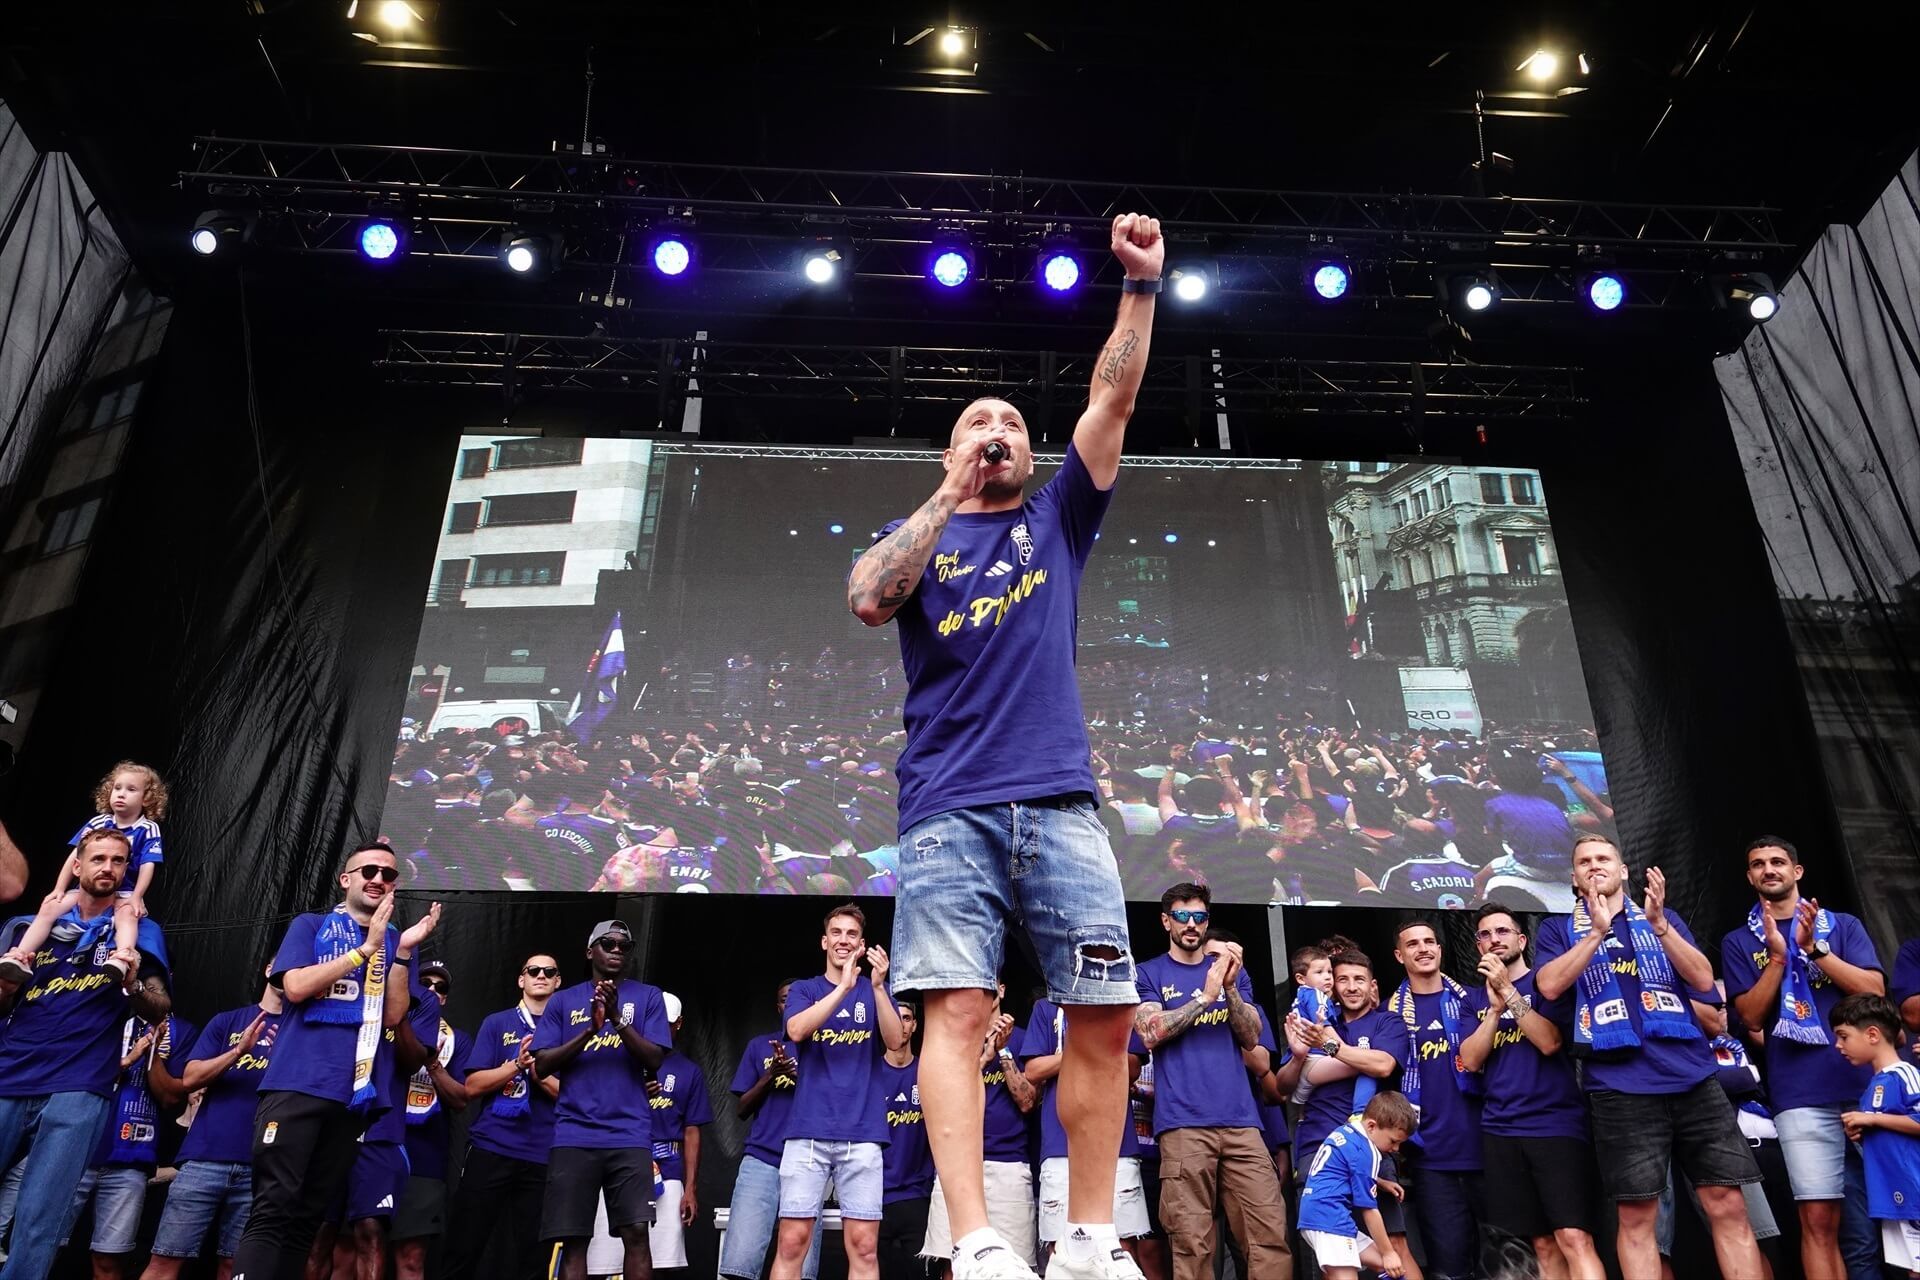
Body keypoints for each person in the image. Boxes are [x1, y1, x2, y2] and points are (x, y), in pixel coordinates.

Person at [845, 213, 1167, 1280]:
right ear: (949, 450)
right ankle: (979, 1235)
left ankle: (1085, 1234)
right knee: (959, 1007)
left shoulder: (1059, 516)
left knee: (1107, 1006)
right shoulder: (922, 535)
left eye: (1012, 422)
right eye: (977, 421)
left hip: (1063, 802)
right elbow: (865, 599)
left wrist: (1140, 287)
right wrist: (945, 490)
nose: (997, 430)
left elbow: (1111, 396)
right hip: (947, 804)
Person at [1532, 834, 1763, 1280]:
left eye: (1604, 858)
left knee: (1728, 1203)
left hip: (1693, 1077)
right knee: (1639, 1218)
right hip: (1621, 1088)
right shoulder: (1559, 929)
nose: (1594, 865)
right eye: (1584, 861)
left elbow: (1701, 980)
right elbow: (1549, 987)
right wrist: (1597, 932)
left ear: (1623, 872)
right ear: (1575, 878)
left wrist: (1660, 926)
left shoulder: (1663, 917)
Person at [230, 841, 439, 1280]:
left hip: (353, 1097)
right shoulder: (310, 925)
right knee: (274, 1206)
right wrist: (365, 950)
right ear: (346, 880)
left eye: (387, 874)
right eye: (368, 871)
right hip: (298, 1084)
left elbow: (394, 1015)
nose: (378, 879)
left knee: (310, 1215)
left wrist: (399, 953)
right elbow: (297, 987)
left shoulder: (398, 942)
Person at [0, 828, 171, 1280]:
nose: (108, 868)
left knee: (41, 1215)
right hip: (10, 1073)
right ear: (77, 865)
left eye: (118, 861)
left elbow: (159, 1009)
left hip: (80, 1084)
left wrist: (132, 983)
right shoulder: (29, 925)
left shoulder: (139, 927)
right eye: (98, 859)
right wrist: (6, 986)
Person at [1721, 836, 1884, 1280]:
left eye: (1777, 861)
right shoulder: (1739, 941)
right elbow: (1751, 1017)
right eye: (1758, 864)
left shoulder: (1842, 925)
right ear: (1750, 877)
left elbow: (1874, 992)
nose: (1768, 869)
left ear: (1798, 871)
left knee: (1905, 1212)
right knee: (1818, 1223)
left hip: (1870, 1088)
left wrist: (1815, 950)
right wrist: (1778, 958)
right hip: (1799, 1093)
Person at [1133, 884, 1292, 1280]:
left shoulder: (1231, 971)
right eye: (1182, 916)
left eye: (1200, 917)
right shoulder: (1147, 973)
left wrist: (1231, 987)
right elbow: (1150, 1032)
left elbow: (1252, 1036)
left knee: (1268, 1234)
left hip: (1243, 1123)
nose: (1191, 924)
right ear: (1165, 920)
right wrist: (1204, 997)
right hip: (1183, 1125)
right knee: (1192, 1241)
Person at [1456, 903, 1604, 1280]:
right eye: (1485, 934)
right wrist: (1492, 1011)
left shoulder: (1545, 982)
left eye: (1503, 932)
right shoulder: (1472, 1000)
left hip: (1555, 1125)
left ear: (1522, 939)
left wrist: (1509, 992)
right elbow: (1470, 1061)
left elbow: (1551, 1042)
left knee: (1574, 1236)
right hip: (1501, 1128)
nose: (1494, 940)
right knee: (1539, 1243)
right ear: (1477, 947)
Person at [771, 904, 908, 1280]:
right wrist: (843, 987)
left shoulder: (875, 990)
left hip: (862, 1134)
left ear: (861, 945)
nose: (843, 940)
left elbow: (896, 1041)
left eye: (851, 935)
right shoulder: (806, 989)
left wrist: (877, 987)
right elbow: (797, 1030)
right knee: (792, 1242)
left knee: (864, 1246)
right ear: (824, 941)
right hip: (808, 1132)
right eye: (837, 933)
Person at [531, 920, 673, 1280]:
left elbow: (655, 1058)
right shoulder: (563, 1000)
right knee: (574, 1239)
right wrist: (590, 1031)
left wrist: (615, 1020)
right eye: (608, 944)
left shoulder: (648, 997)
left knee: (637, 1233)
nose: (616, 951)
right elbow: (543, 1063)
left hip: (629, 1135)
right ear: (590, 951)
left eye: (624, 947)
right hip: (574, 1135)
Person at [1283, 946, 1417, 1280]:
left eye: (1360, 979)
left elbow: (1384, 1063)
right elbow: (1280, 1089)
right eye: (1342, 979)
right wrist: (1300, 1055)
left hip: (1371, 1144)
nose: (1351, 986)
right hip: (1318, 1147)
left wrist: (1334, 1047)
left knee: (1394, 1246)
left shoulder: (1387, 1020)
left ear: (1373, 985)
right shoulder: (1316, 1020)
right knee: (1333, 1256)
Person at [143, 969, 282, 1280]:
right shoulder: (228, 1021)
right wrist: (237, 1052)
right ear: (269, 970)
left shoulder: (300, 1031)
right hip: (204, 1159)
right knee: (164, 1262)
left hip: (262, 1167)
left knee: (236, 1269)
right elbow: (190, 1079)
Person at [443, 954, 563, 1280]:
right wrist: (517, 1065)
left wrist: (538, 1072)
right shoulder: (497, 1023)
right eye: (533, 970)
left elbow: (572, 1097)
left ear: (558, 981)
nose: (541, 975)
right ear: (521, 980)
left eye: (549, 971)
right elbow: (471, 1086)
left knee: (534, 1257)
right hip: (492, 1146)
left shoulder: (568, 1031)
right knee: (463, 1245)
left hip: (542, 1153)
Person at [0, 762, 166, 984]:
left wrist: (136, 897)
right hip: (86, 889)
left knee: (127, 916)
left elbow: (148, 865)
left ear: (146, 798)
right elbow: (74, 857)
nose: (121, 794)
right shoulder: (98, 822)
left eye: (131, 789)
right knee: (49, 907)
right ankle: (20, 955)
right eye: (117, 788)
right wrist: (59, 888)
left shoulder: (148, 828)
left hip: (124, 891)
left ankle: (122, 956)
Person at [1024, 996, 1154, 1272]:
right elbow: (1033, 1070)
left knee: (1122, 1247)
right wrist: (1088, 1048)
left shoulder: (1119, 999)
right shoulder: (1046, 1006)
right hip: (1060, 1145)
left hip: (1116, 1144)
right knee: (1061, 1249)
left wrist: (1075, 1051)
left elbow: (1132, 1067)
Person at [1385, 918, 1484, 1280]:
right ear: (1399, 955)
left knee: (1510, 1259)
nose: (1423, 948)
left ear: (1441, 950)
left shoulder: (1473, 999)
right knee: (1450, 1269)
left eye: (1430, 941)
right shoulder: (1389, 1014)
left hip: (1488, 1149)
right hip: (1431, 1159)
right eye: (1413, 944)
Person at [920, 979, 1040, 1272]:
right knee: (954, 1265)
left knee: (1016, 1265)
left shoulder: (1023, 1038)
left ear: (1001, 989)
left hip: (1008, 1165)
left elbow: (1027, 1101)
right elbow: (942, 1098)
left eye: (991, 987)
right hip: (958, 1164)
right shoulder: (955, 1041)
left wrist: (1002, 1050)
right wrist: (981, 1059)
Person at [70, 1004, 195, 1280]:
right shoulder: (90, 1011)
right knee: (40, 1244)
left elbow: (171, 1098)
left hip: (130, 1160)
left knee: (109, 1260)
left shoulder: (179, 1031)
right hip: (70, 1151)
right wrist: (128, 1058)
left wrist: (152, 1053)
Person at [718, 982, 822, 1280]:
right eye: (783, 1000)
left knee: (800, 1268)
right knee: (740, 1261)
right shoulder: (759, 1046)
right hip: (761, 1159)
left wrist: (798, 1076)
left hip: (807, 1162)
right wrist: (770, 1076)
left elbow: (831, 1102)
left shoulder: (821, 1049)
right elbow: (741, 1110)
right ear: (778, 1007)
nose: (789, 1003)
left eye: (795, 999)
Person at [1830, 993, 1920, 1275]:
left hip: (1914, 1189)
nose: (1838, 1045)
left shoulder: (1905, 1074)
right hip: (1894, 1193)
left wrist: (1872, 1120)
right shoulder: (1875, 1084)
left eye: (1844, 1036)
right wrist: (1865, 1130)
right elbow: (1889, 1126)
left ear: (1872, 1034)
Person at [393, 961, 471, 1280]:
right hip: (373, 1146)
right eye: (425, 983)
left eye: (441, 988)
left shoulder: (458, 1040)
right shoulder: (386, 1024)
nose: (432, 990)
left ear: (445, 999)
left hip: (424, 1157)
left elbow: (461, 1100)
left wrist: (434, 1064)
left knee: (411, 1258)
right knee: (352, 1249)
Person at [1297, 1092, 1418, 1280]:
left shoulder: (1349, 1131)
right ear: (1372, 1126)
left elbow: (1345, 1169)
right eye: (1393, 1141)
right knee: (1381, 1260)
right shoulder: (1365, 1151)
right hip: (1329, 1220)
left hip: (1329, 1217)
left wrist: (1379, 1181)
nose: (1396, 1149)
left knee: (1390, 1269)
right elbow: (1369, 1211)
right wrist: (1388, 1252)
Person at [644, 992, 713, 1273]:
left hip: (669, 1170)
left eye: (667, 1023)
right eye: (654, 1022)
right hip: (621, 1166)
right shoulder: (625, 1061)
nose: (660, 1029)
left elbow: (692, 1130)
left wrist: (691, 1188)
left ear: (678, 1024)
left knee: (662, 1261)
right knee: (607, 1257)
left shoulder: (688, 1071)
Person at [879, 1001, 935, 1279]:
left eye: (906, 1018)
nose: (900, 1024)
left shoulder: (929, 1073)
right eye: (894, 1018)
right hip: (875, 1197)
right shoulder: (870, 1074)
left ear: (914, 1025)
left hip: (917, 1195)